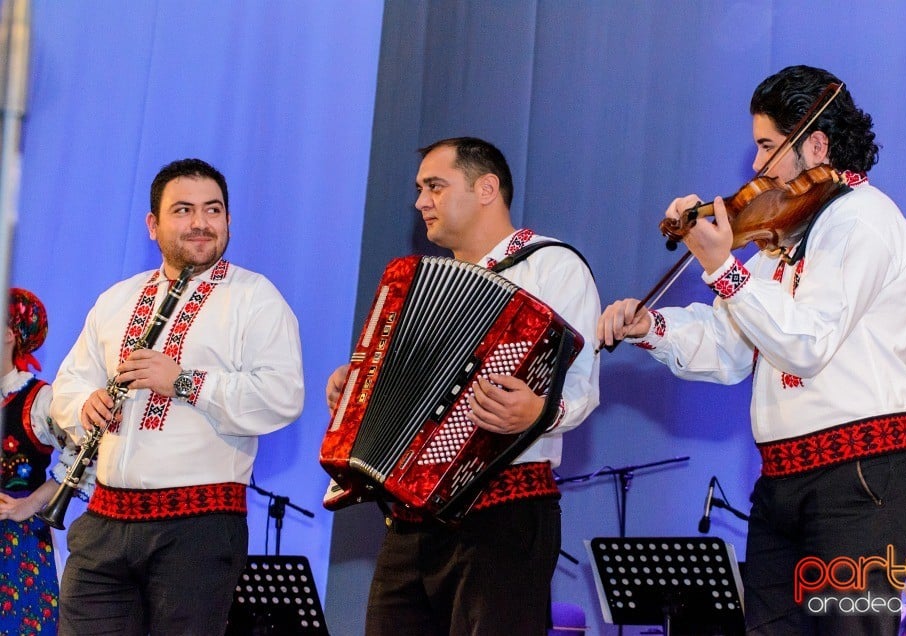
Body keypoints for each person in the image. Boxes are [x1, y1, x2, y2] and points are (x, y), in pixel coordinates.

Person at [597, 65, 906, 636]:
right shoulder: (787, 234)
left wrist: (723, 266)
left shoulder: (865, 221)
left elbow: (807, 343)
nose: (755, 167)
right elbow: (732, 347)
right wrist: (651, 327)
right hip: (782, 484)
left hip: (859, 483)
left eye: (768, 148)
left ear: (815, 144)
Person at [325, 137, 600, 635]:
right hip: (410, 518)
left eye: (434, 186)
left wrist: (539, 411)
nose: (420, 201)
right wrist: (356, 391)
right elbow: (399, 381)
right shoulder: (421, 285)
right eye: (419, 189)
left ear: (486, 188)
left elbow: (581, 390)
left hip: (506, 511)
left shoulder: (553, 267)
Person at [51, 158, 305, 635]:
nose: (200, 223)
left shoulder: (255, 297)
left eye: (213, 210)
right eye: (183, 210)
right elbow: (68, 383)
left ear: (228, 219)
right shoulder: (117, 299)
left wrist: (184, 381)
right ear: (153, 225)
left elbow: (281, 398)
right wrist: (83, 405)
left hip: (199, 529)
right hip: (103, 521)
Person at [1, 288, 95, 635]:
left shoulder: (39, 399)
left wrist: (30, 505)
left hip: (16, 547)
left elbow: (87, 452)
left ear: (10, 333)